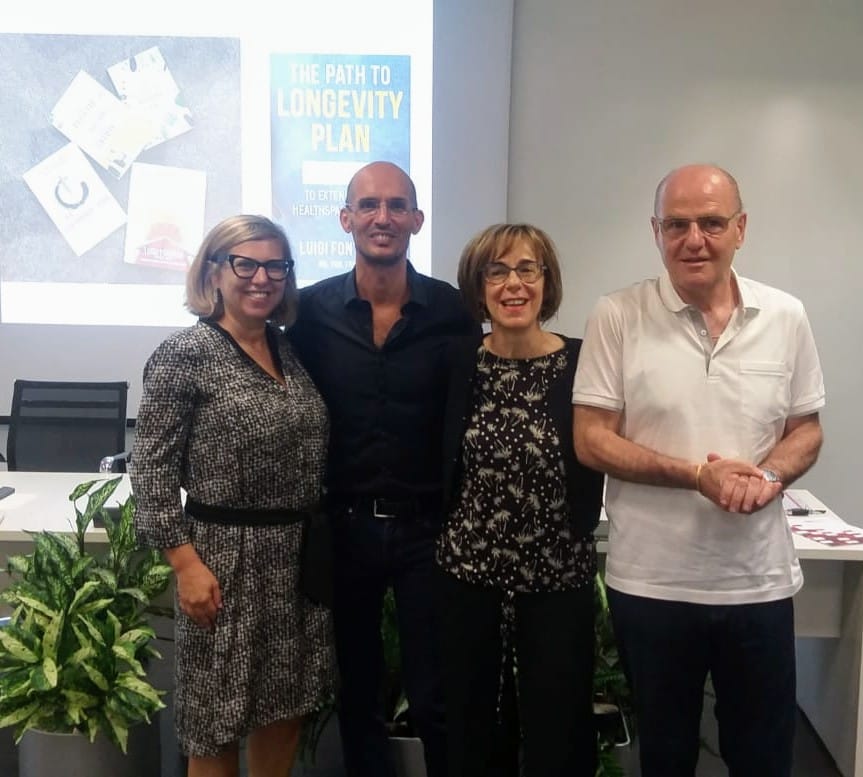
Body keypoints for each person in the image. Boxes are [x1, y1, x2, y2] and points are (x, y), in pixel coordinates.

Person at [573, 164, 825, 777]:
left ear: (741, 228)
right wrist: (695, 476)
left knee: (763, 757)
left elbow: (806, 429)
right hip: (651, 585)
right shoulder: (617, 315)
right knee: (665, 757)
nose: (694, 240)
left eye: (711, 223)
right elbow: (591, 439)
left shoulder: (786, 315)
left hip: (757, 583)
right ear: (655, 231)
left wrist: (769, 478)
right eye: (677, 225)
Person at [288, 161, 478, 777]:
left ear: (417, 220)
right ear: (345, 219)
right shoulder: (309, 313)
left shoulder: (453, 311)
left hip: (430, 530)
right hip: (343, 529)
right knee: (357, 690)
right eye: (369, 205)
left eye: (397, 206)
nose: (383, 217)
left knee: (436, 693)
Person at [131, 215, 336, 777]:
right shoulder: (184, 355)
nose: (261, 278)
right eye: (246, 264)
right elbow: (150, 471)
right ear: (214, 272)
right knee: (215, 720)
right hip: (222, 560)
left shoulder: (288, 350)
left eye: (275, 266)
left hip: (296, 560)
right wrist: (185, 565)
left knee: (285, 709)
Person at [436, 223, 604, 777]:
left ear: (546, 281)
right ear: (478, 285)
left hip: (558, 578)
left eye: (527, 269)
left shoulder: (582, 364)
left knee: (560, 728)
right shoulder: (456, 363)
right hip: (469, 578)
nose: (514, 284)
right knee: (472, 729)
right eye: (497, 271)